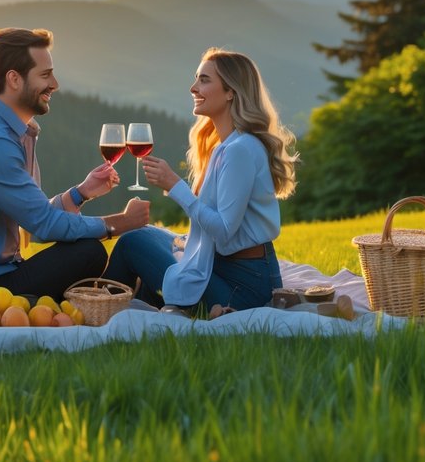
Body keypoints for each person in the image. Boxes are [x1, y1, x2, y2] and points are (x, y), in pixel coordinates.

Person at [0, 27, 152, 303]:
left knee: (87, 252)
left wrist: (81, 193)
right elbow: (44, 226)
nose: (54, 84)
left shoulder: (10, 131)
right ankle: (126, 295)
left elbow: (33, 219)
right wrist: (119, 223)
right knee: (88, 253)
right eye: (45, 75)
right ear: (14, 79)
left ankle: (128, 294)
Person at [102, 48, 297, 312]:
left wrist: (175, 187)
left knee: (131, 243)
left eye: (204, 80)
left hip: (244, 287)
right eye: (196, 78)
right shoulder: (227, 146)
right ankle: (132, 305)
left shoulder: (240, 150)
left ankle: (99, 313)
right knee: (144, 234)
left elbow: (225, 230)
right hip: (223, 267)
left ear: (231, 92)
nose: (193, 87)